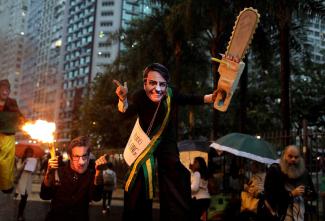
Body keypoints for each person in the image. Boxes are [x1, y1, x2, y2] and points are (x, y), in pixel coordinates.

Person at [113, 63, 217, 221]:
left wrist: (211, 98)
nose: (158, 89)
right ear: (145, 83)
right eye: (153, 83)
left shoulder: (170, 94)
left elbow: (189, 98)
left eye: (162, 84)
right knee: (138, 184)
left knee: (177, 176)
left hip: (166, 143)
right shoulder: (139, 96)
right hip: (144, 147)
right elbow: (125, 113)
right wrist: (122, 99)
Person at [39, 136, 108, 221]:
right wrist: (48, 174)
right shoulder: (58, 172)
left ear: (89, 156)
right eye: (76, 157)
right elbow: (45, 195)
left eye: (84, 156)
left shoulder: (92, 174)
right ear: (70, 156)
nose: (81, 162)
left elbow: (96, 197)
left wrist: (98, 173)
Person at [262, 145, 317, 221]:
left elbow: (313, 195)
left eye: (296, 157)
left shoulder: (304, 173)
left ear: (300, 158)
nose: (293, 159)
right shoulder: (275, 170)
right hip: (279, 216)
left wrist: (307, 194)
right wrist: (292, 194)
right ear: (284, 156)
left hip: (300, 216)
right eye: (290, 156)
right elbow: (269, 196)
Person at [0, 79, 24, 193]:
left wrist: (26, 123)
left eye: (7, 89)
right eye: (2, 89)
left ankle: (6, 186)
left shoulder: (12, 102)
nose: (5, 91)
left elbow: (20, 116)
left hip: (8, 136)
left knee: (7, 163)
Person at [15, 147, 38, 221]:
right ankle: (19, 215)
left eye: (31, 153)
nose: (30, 154)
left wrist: (35, 165)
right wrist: (24, 163)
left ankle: (21, 213)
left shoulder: (34, 160)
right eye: (28, 152)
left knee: (24, 199)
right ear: (26, 153)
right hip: (22, 181)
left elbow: (34, 172)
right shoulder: (22, 159)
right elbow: (18, 168)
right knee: (23, 199)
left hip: (28, 182)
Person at [189, 156, 211, 221]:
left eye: (195, 162)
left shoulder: (197, 173)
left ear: (200, 164)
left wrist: (186, 187)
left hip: (198, 200)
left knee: (192, 217)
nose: (193, 163)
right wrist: (192, 170)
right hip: (206, 199)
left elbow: (195, 188)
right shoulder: (203, 174)